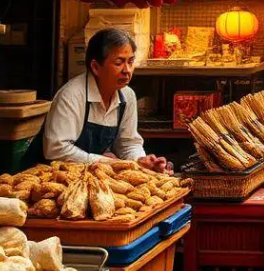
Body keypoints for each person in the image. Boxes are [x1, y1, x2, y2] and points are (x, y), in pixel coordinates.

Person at [35, 29, 170, 172]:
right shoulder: (72, 95)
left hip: (90, 174)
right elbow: (55, 150)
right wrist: (104, 161)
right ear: (95, 67)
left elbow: (127, 143)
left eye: (130, 62)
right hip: (51, 174)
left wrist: (140, 160)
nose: (127, 70)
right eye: (119, 63)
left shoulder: (127, 96)